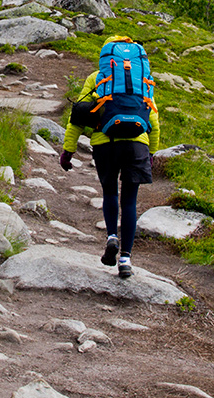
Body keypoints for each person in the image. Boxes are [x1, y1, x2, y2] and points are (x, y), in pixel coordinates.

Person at [59, 40, 160, 279]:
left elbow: (79, 115)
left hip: (105, 144)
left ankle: (112, 236)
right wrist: (152, 152)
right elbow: (154, 121)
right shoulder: (142, 79)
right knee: (130, 201)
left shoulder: (97, 77)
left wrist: (68, 151)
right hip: (138, 144)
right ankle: (125, 259)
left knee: (110, 192)